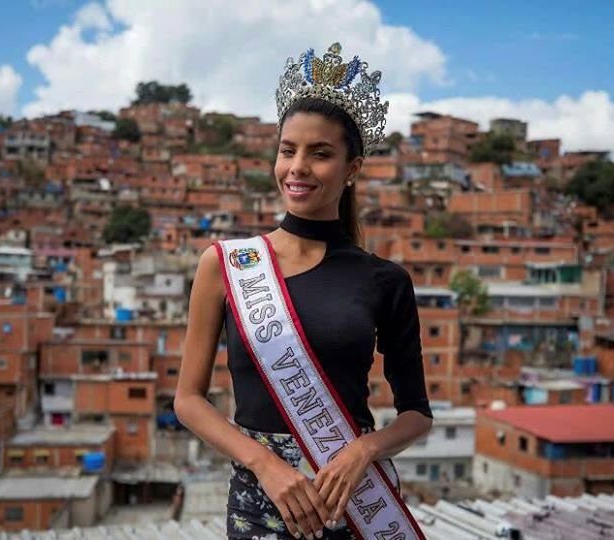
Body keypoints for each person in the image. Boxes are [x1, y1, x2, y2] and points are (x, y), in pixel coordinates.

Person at [175, 43, 433, 540]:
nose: (298, 167)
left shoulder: (385, 280)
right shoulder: (226, 266)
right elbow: (188, 400)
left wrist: (365, 449)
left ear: (352, 168)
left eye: (320, 154)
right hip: (262, 504)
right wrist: (265, 465)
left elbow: (417, 415)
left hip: (356, 500)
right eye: (288, 150)